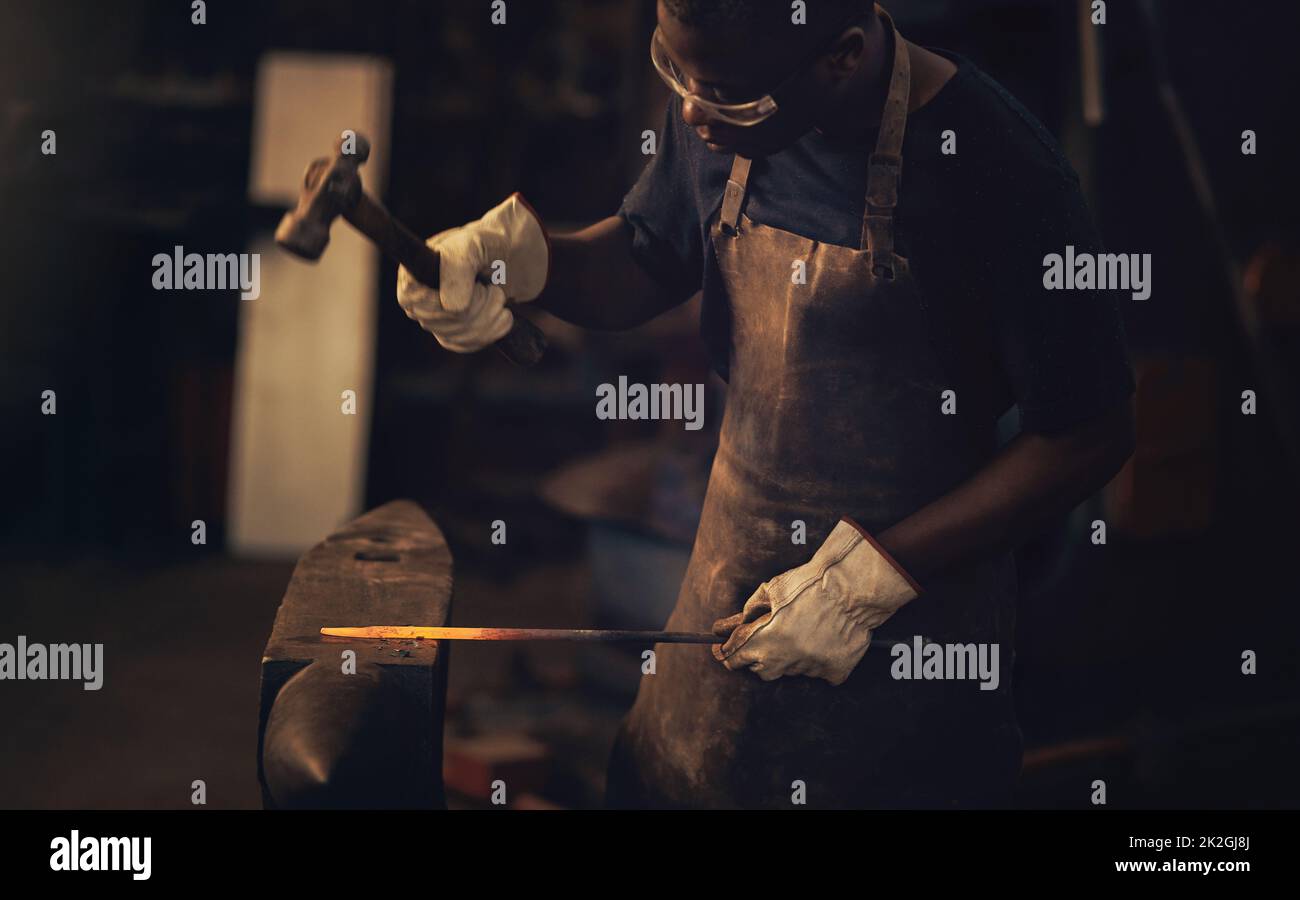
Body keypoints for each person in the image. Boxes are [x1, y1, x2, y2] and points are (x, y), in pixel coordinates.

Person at [396, 0, 1136, 809]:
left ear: (843, 57)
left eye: (727, 96)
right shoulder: (723, 104)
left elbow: (1088, 435)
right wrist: (530, 265)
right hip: (723, 606)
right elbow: (650, 253)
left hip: (908, 661)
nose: (691, 113)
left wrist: (874, 578)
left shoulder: (1001, 170)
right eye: (675, 71)